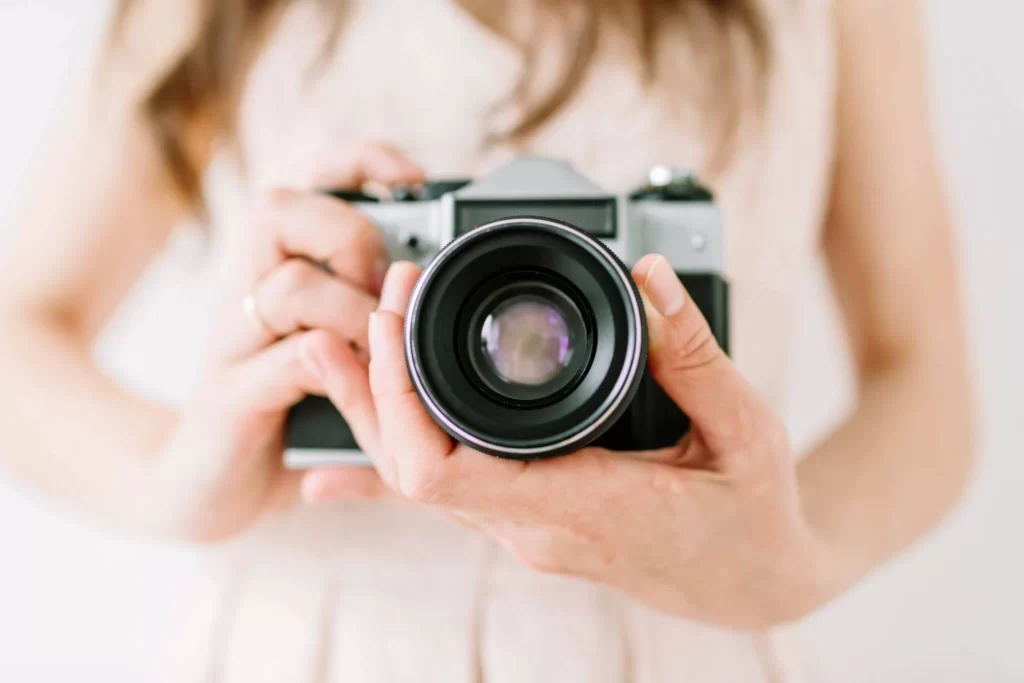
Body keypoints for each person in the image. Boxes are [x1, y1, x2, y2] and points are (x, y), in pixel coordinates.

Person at [0, 0, 974, 680]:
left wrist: (791, 560)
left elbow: (921, 374)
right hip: (314, 639)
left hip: (692, 641)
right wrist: (172, 476)